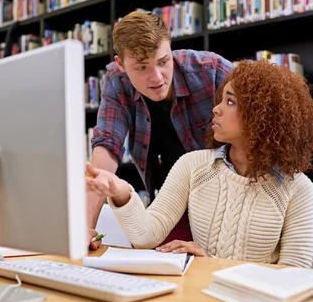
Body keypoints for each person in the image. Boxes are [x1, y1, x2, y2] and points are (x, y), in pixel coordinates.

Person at [86, 60, 313, 268]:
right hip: (198, 298)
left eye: (230, 101)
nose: (216, 108)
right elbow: (147, 235)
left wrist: (212, 264)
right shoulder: (192, 165)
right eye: (221, 99)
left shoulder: (298, 189)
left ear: (262, 116)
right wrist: (121, 192)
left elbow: (295, 275)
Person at [88, 10, 233, 249]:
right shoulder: (117, 81)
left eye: (164, 62)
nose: (156, 77)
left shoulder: (212, 69)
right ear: (120, 64)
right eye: (142, 67)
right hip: (170, 198)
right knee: (155, 256)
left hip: (226, 196)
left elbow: (261, 126)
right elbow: (106, 148)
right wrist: (87, 228)